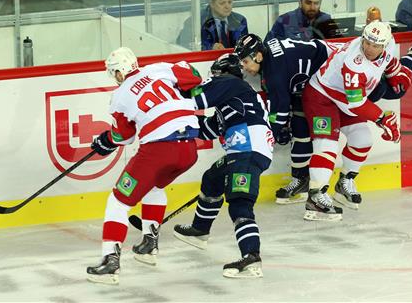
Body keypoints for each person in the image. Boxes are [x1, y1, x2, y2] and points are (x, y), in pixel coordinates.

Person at [300, 19, 412, 221]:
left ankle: (344, 182)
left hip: (348, 98)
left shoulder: (387, 45)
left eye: (375, 45)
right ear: (363, 39)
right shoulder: (354, 63)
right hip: (323, 97)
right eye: (367, 42)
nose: (370, 48)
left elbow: (390, 62)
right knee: (327, 145)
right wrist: (383, 119)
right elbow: (356, 104)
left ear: (385, 44)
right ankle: (316, 197)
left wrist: (396, 75)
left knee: (362, 140)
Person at [86, 47, 202, 285]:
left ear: (118, 72)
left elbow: (123, 137)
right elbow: (193, 74)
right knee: (154, 187)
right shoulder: (159, 69)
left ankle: (110, 262)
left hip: (160, 150)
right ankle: (149, 245)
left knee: (118, 200)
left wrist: (105, 141)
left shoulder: (119, 95)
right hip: (189, 149)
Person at [172, 53, 274, 278]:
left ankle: (251, 257)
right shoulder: (232, 99)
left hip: (248, 151)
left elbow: (195, 101)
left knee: (239, 202)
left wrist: (167, 98)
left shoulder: (230, 83)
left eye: (215, 75)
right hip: (243, 151)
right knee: (212, 178)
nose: (213, 79)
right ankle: (200, 230)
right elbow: (205, 129)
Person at [233, 33, 336, 204]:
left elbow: (279, 111)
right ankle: (301, 179)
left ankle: (324, 187)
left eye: (245, 61)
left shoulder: (274, 72)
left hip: (330, 72)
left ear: (258, 56)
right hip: (311, 79)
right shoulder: (268, 57)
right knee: (299, 126)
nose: (244, 67)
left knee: (322, 134)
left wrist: (267, 138)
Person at [177, 0, 248, 51]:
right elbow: (183, 43)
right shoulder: (196, 22)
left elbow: (245, 47)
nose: (227, 6)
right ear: (211, 3)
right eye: (222, 3)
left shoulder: (240, 21)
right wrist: (209, 47)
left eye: (229, 2)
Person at [265, 0, 332, 42]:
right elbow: (268, 46)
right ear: (300, 3)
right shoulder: (285, 19)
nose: (312, 7)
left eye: (316, 3)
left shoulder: (326, 19)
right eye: (308, 3)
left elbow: (338, 45)